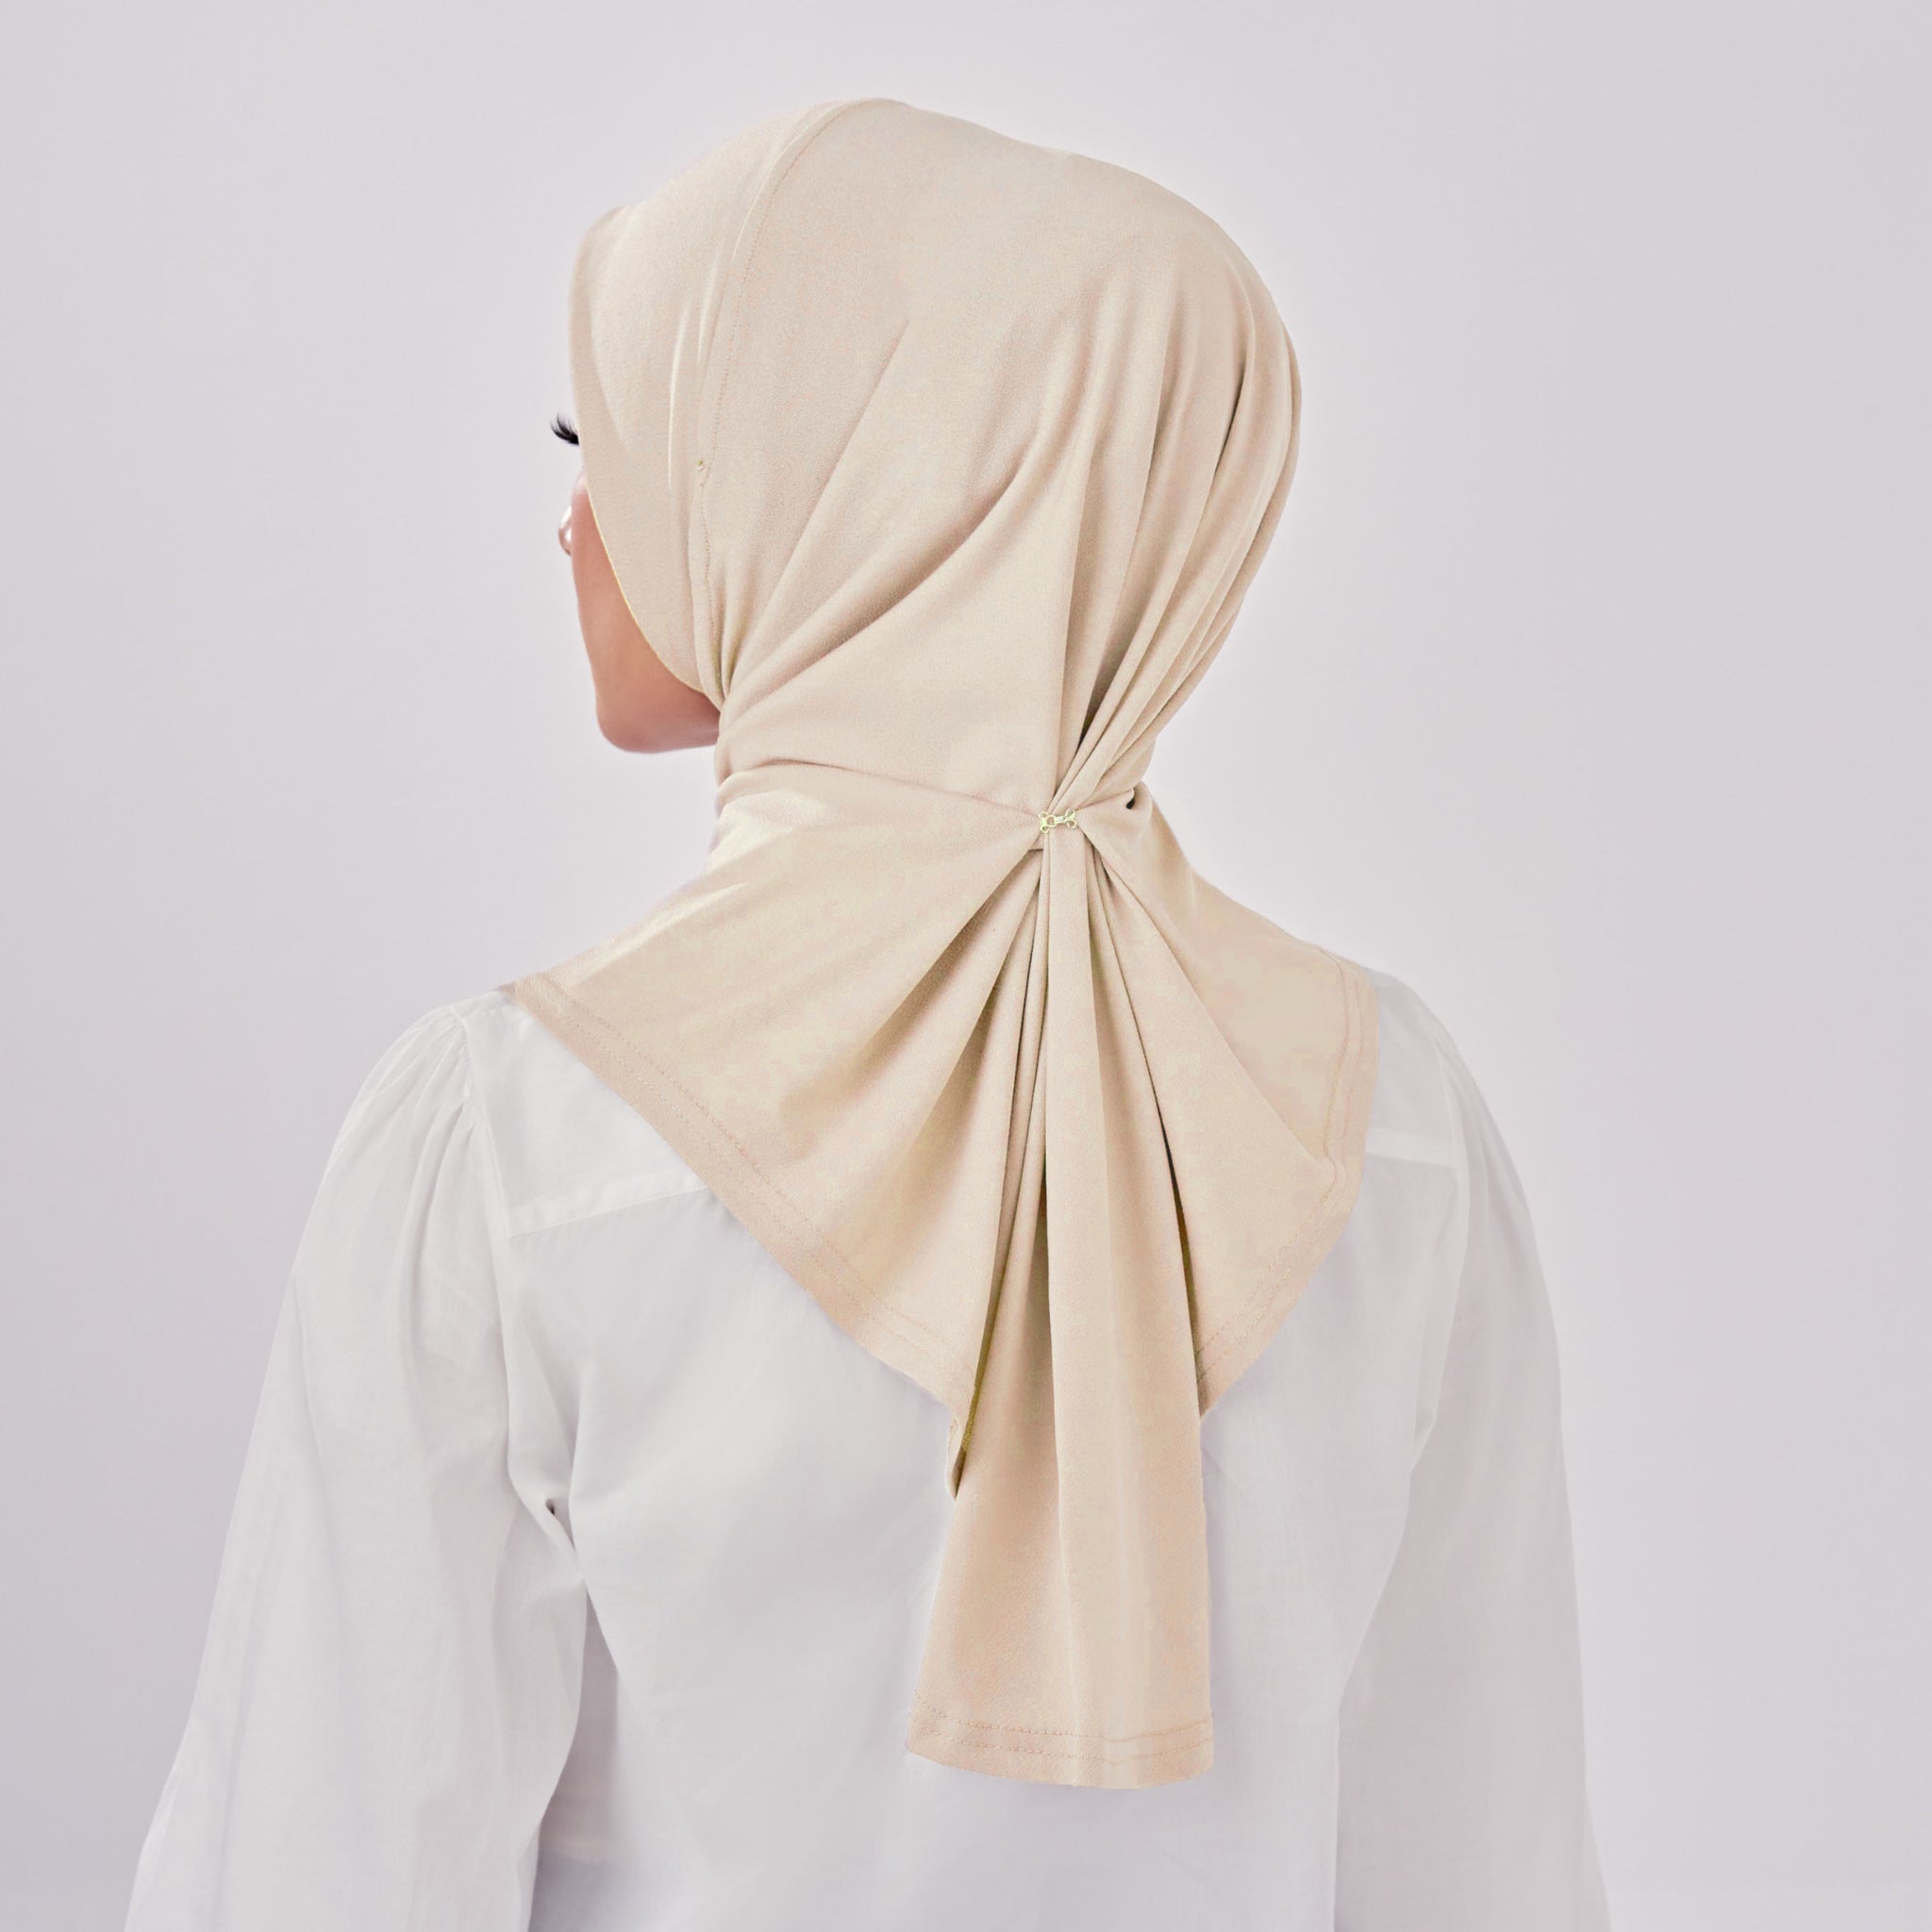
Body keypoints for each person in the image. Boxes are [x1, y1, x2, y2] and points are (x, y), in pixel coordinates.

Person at [125, 99, 1610, 1930]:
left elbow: (317, 1879)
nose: (574, 521)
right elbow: (1486, 1872)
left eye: (615, 442)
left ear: (819, 489)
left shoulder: (512, 1149)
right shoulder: (1388, 1125)